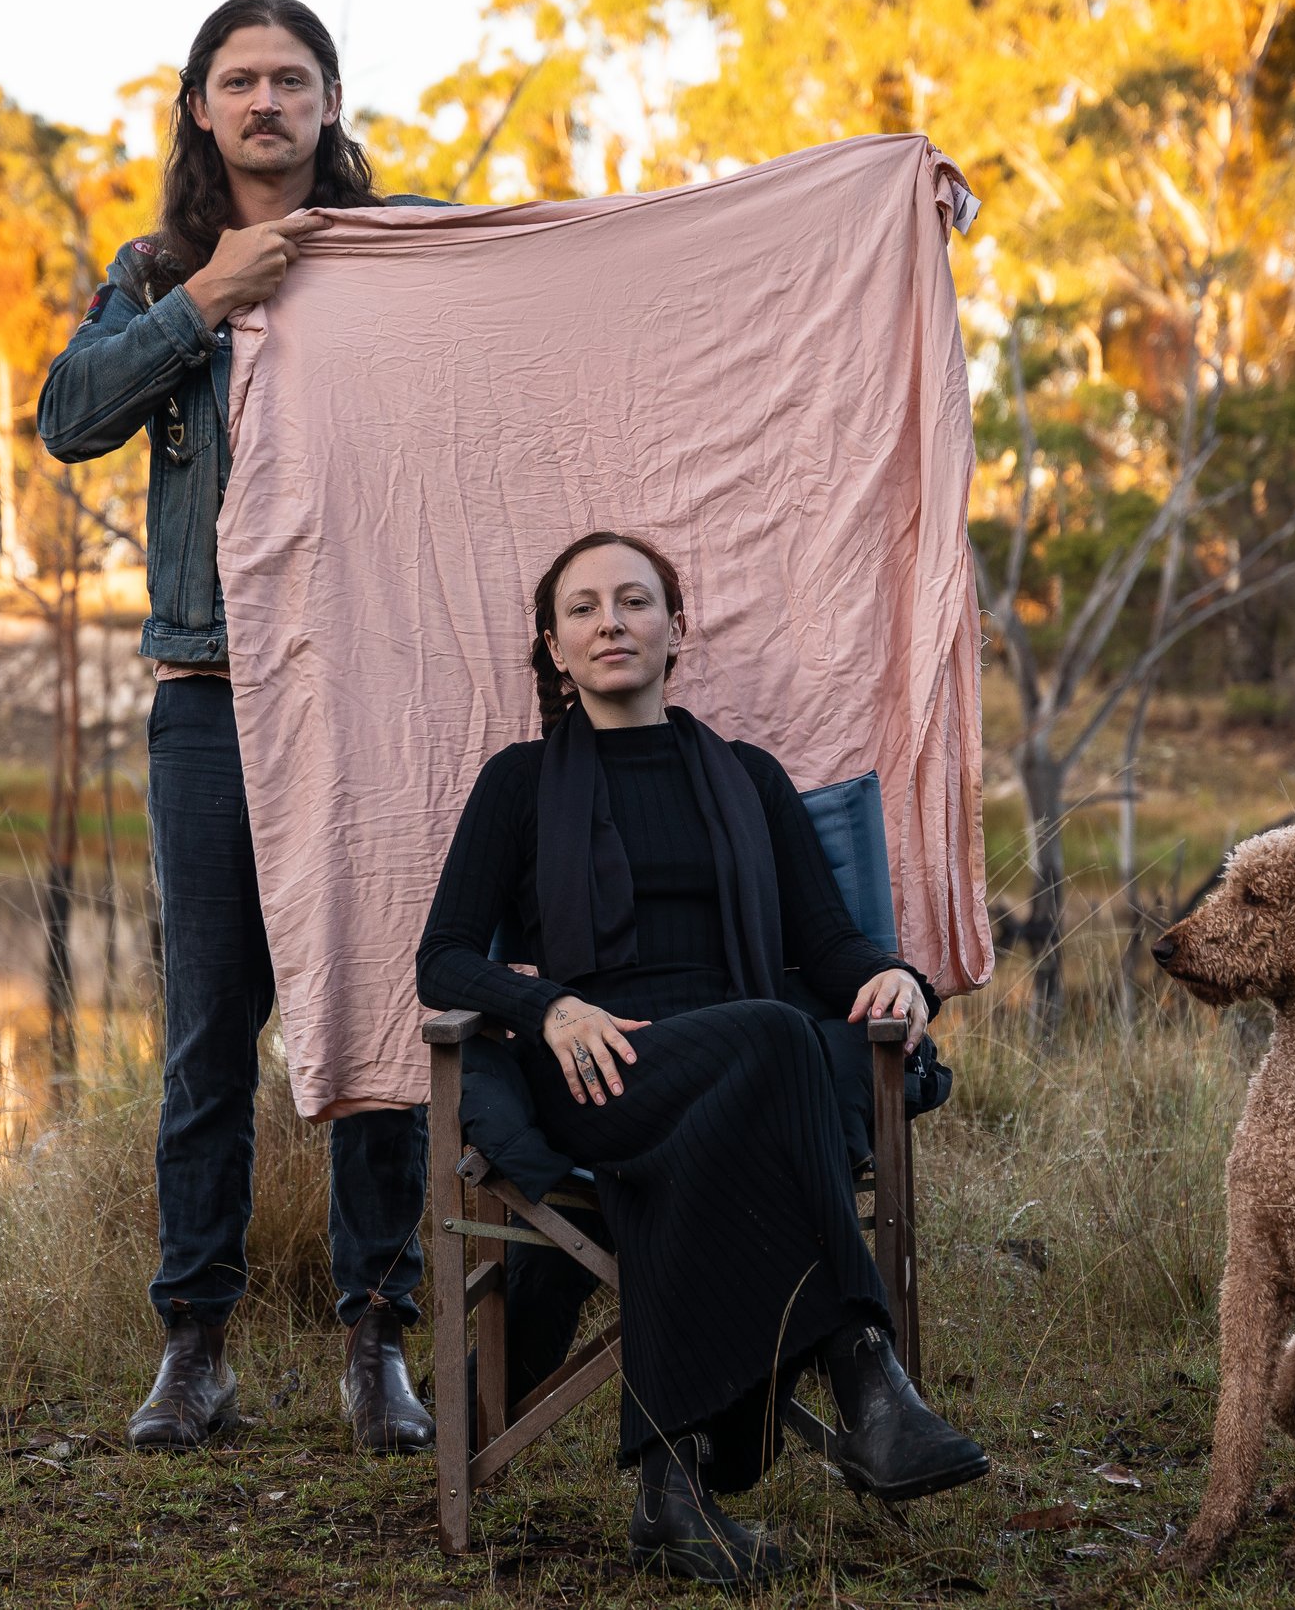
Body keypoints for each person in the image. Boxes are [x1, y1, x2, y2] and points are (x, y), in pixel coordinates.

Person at [416, 532, 989, 1584]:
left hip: (732, 1090)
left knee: (768, 1054)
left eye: (634, 601)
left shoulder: (749, 779)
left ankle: (670, 1494)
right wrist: (544, 1007)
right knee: (780, 1035)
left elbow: (827, 945)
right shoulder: (517, 783)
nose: (610, 622)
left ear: (677, 628)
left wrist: (897, 972)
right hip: (602, 1070)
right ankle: (866, 1376)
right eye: (582, 609)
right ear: (552, 646)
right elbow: (443, 957)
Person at [37, 0, 446, 1457]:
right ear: (200, 110)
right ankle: (194, 1349)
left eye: (291, 77)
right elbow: (70, 414)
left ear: (331, 101)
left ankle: (376, 1340)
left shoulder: (402, 259)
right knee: (211, 1033)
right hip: (210, 696)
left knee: (386, 1018)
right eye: (238, 80)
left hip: (380, 694)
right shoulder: (157, 269)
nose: (266, 99)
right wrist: (210, 293)